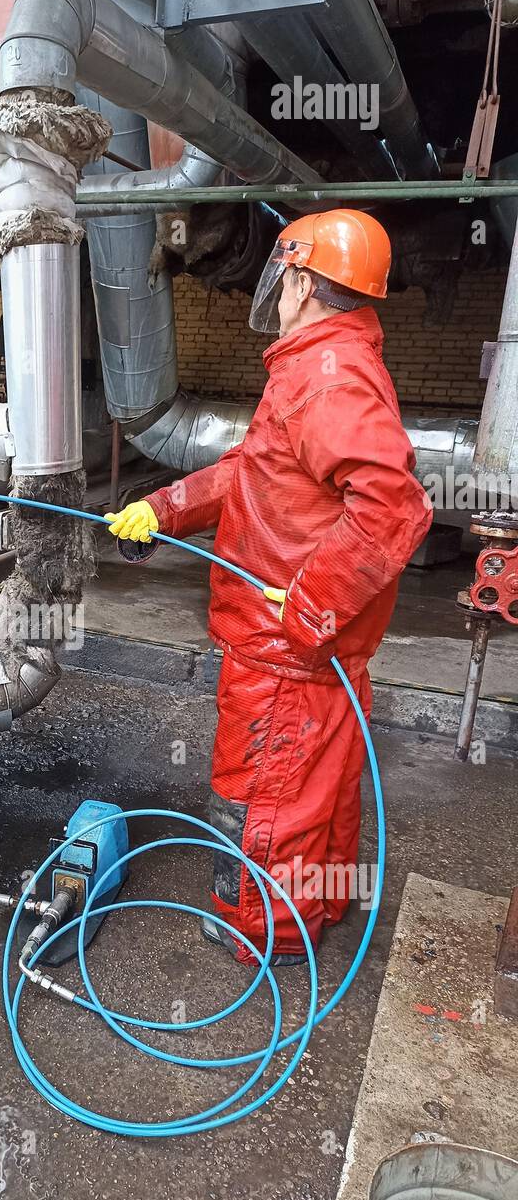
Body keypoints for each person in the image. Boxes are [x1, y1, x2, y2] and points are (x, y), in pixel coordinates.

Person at [107, 209, 433, 965]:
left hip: (285, 651)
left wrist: (312, 600)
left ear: (298, 279)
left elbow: (394, 507)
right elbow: (252, 474)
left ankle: (264, 933)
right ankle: (318, 906)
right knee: (322, 789)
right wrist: (161, 509)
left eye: (280, 277)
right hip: (315, 656)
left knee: (262, 797)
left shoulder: (324, 376)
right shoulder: (322, 363)